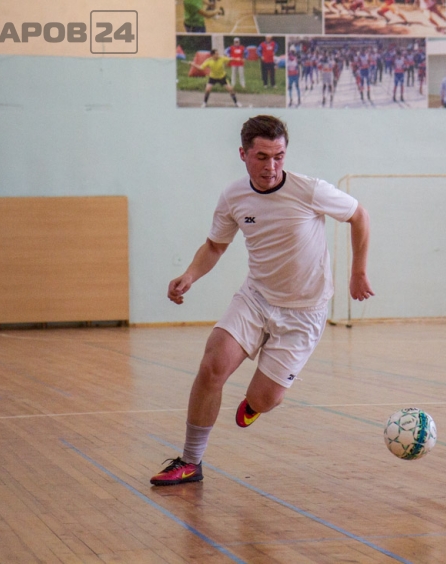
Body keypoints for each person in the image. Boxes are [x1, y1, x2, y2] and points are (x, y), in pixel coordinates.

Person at [150, 115, 374, 486]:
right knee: (212, 366)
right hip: (256, 299)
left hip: (304, 313)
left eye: (279, 156)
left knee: (265, 398)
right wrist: (189, 275)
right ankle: (190, 461)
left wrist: (358, 272)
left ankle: (256, 403)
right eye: (262, 157)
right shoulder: (234, 196)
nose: (271, 166)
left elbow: (359, 216)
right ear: (243, 154)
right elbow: (215, 246)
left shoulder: (310, 190)